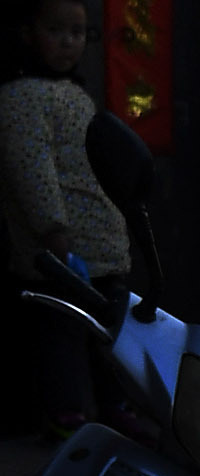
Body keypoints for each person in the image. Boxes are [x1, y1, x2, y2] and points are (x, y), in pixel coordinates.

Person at [0, 0, 128, 435]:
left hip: (100, 243)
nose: (69, 42)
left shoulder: (77, 93)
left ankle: (116, 409)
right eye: (56, 30)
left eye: (78, 33)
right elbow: (31, 167)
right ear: (27, 33)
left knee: (110, 335)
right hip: (60, 247)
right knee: (62, 334)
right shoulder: (20, 97)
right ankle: (66, 413)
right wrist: (52, 227)